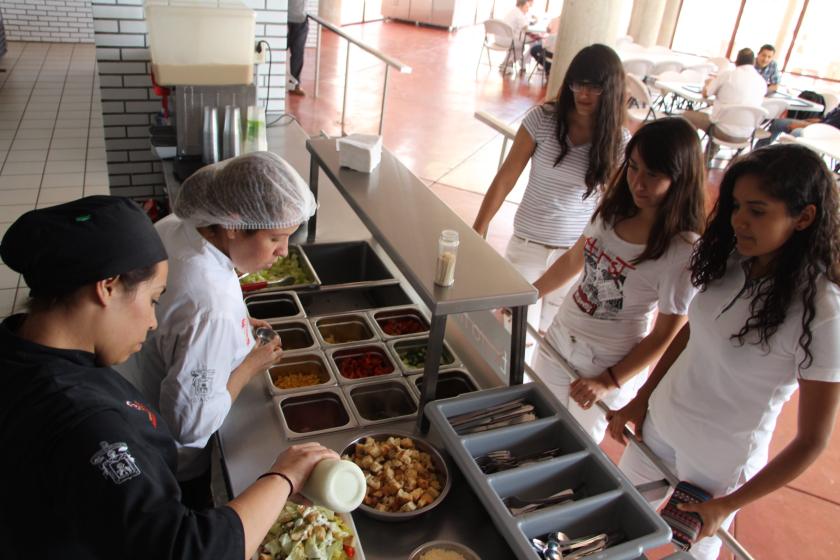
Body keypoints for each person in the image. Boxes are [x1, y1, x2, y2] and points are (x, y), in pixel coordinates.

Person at [0, 196, 338, 558]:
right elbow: (190, 550)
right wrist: (285, 477)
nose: (153, 322)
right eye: (154, 299)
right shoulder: (84, 420)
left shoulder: (22, 345)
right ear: (107, 287)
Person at [606, 145, 840, 560]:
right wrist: (640, 401)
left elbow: (811, 440)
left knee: (688, 554)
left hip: (717, 465)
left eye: (757, 210)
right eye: (734, 206)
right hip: (661, 424)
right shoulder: (732, 259)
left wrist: (728, 505)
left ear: (803, 217)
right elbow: (691, 334)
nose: (738, 221)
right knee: (618, 527)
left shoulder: (822, 311)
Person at [118, 151, 317, 506]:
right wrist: (249, 366)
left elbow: (179, 321)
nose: (284, 252)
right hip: (171, 462)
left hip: (129, 393)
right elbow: (189, 426)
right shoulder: (211, 306)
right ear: (232, 225)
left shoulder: (176, 228)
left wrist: (236, 323)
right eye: (275, 239)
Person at [531, 118, 706, 443]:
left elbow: (664, 335)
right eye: (634, 168)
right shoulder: (612, 210)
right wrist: (529, 294)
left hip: (606, 363)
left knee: (573, 448)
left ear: (680, 178)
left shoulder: (682, 250)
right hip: (559, 338)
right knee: (537, 424)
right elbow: (574, 259)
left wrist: (608, 381)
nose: (638, 183)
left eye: (653, 175)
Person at [472, 44, 628, 332]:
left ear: (612, 90)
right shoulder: (542, 119)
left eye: (593, 87)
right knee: (514, 332)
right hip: (527, 245)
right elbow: (506, 177)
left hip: (572, 256)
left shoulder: (618, 143)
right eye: (577, 84)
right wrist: (478, 229)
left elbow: (610, 211)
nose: (582, 94)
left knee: (550, 334)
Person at [682, 48, 767, 142]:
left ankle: (690, 152)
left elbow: (705, 94)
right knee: (721, 119)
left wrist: (708, 83)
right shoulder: (762, 82)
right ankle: (708, 154)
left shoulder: (728, 75)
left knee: (686, 115)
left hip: (721, 131)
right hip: (747, 136)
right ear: (753, 62)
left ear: (736, 62)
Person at [754, 104, 840, 148]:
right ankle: (759, 150)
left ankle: (779, 160)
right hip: (819, 126)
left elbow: (827, 127)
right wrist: (805, 121)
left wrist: (803, 125)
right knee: (778, 122)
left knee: (796, 132)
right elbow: (823, 119)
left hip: (827, 136)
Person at [499, 0, 533, 72]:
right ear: (522, 6)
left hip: (499, 39)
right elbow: (526, 28)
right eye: (527, 7)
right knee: (523, 45)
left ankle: (506, 63)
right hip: (508, 41)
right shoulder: (519, 14)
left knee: (520, 43)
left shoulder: (512, 12)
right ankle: (510, 63)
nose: (527, 10)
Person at [287, 0, 308, 96]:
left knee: (298, 54)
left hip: (300, 19)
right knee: (296, 54)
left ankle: (294, 85)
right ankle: (293, 85)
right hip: (287, 18)